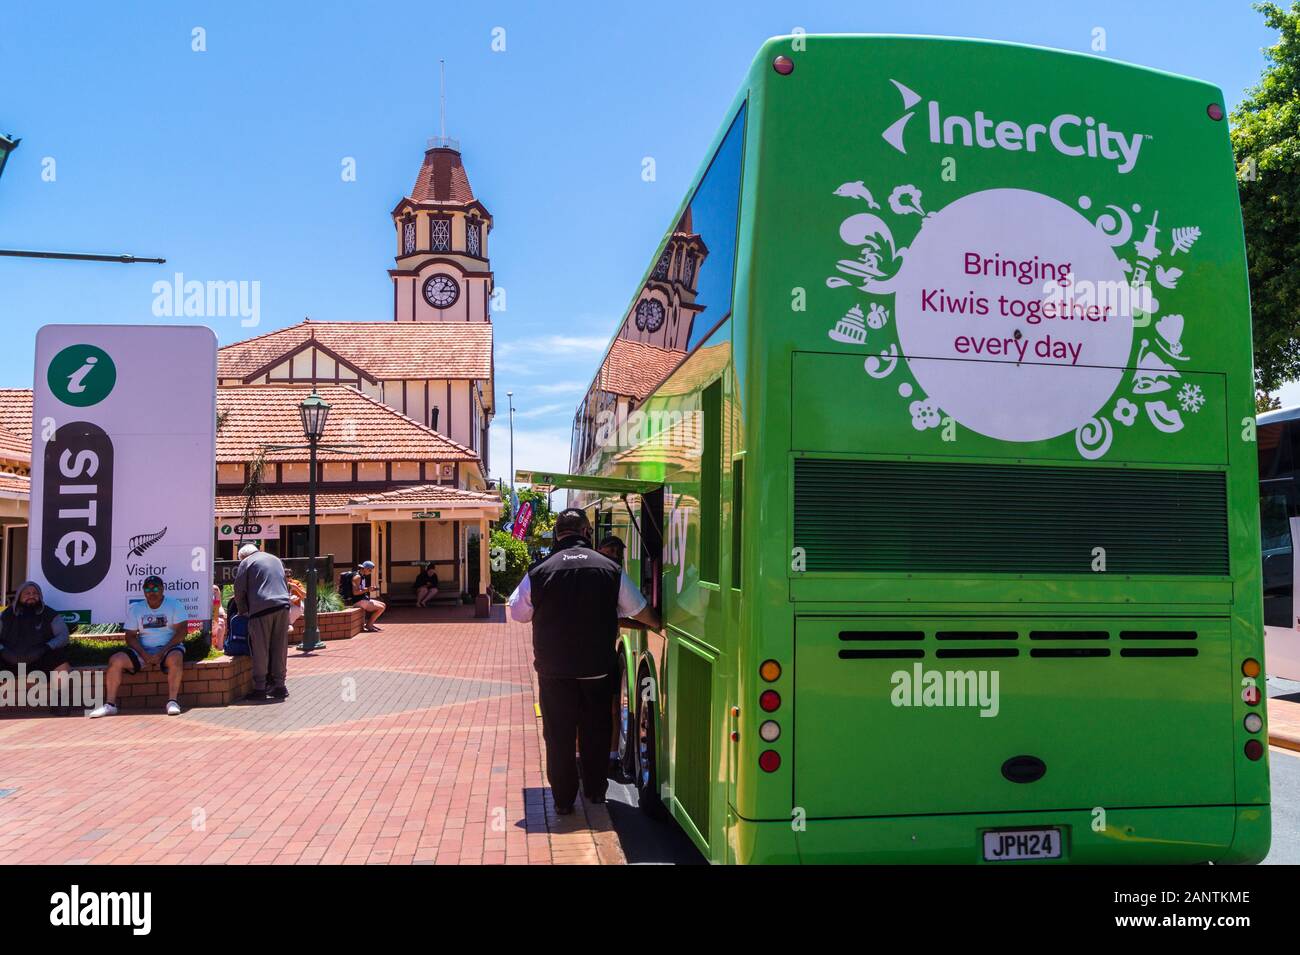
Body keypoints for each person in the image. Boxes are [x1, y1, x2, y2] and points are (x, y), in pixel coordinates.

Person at [508, 508, 659, 814]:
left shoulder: (539, 571)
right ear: (588, 533)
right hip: (596, 669)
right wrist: (657, 622)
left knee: (559, 735)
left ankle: (564, 802)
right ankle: (594, 791)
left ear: (556, 534)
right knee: (596, 730)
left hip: (554, 673)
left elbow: (517, 614)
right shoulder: (609, 568)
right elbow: (638, 609)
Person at [89, 575, 188, 718]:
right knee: (115, 660)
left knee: (176, 658)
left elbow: (182, 632)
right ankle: (110, 705)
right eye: (148, 589)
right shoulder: (137, 609)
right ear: (143, 591)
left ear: (162, 589)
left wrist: (161, 653)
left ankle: (172, 701)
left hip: (168, 649)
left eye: (155, 588)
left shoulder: (175, 605)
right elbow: (129, 636)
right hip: (143, 651)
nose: (151, 592)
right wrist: (144, 654)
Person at [0, 581, 73, 711]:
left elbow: (64, 636)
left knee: (60, 659)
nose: (31, 596)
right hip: (9, 660)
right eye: (27, 593)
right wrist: (3, 650)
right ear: (19, 597)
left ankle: (60, 702)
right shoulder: (5, 615)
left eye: (35, 593)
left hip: (39, 659)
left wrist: (47, 647)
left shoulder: (50, 614)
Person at [234, 543, 292, 701]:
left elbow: (239, 589)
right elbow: (285, 583)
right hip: (283, 605)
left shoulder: (246, 562)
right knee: (280, 647)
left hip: (261, 608)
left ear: (243, 556)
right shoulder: (275, 559)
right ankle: (280, 686)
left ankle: (260, 688)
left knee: (261, 648)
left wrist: (242, 610)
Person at [347, 560, 387, 632]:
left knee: (383, 605)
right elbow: (355, 592)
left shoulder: (362, 576)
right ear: (365, 568)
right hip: (358, 601)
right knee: (381, 608)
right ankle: (369, 625)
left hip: (363, 598)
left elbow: (361, 589)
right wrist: (368, 590)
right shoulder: (357, 577)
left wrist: (369, 589)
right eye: (370, 570)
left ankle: (370, 624)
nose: (370, 572)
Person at [210, 584, 228, 653]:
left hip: (214, 617)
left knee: (220, 622)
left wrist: (215, 619)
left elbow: (218, 606)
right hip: (198, 620)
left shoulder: (214, 588)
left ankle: (220, 648)